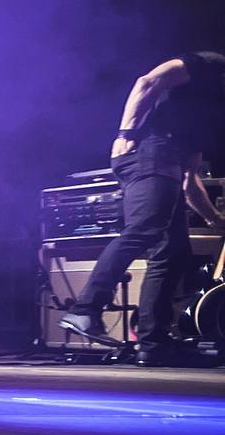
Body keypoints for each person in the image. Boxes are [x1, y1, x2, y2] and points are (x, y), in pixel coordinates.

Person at [61, 51, 225, 353]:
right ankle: (85, 309)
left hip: (166, 160)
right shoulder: (212, 65)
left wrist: (216, 220)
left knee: (174, 251)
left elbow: (189, 179)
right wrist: (127, 133)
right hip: (149, 150)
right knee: (145, 229)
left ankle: (153, 340)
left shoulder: (209, 115)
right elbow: (148, 81)